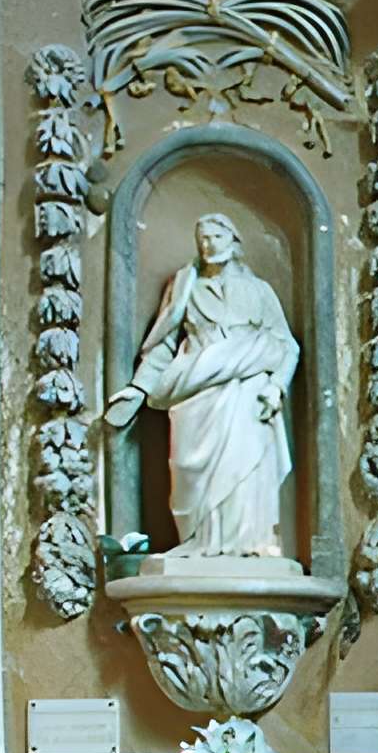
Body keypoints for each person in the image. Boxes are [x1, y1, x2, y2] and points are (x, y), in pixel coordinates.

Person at [104, 213, 300, 559]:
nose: (209, 245)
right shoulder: (187, 287)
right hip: (195, 390)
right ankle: (200, 542)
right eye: (203, 239)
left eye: (216, 237)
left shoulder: (259, 290)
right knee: (188, 469)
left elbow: (286, 345)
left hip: (247, 390)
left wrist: (277, 387)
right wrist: (139, 388)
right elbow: (164, 344)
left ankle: (248, 543)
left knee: (244, 465)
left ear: (234, 241)